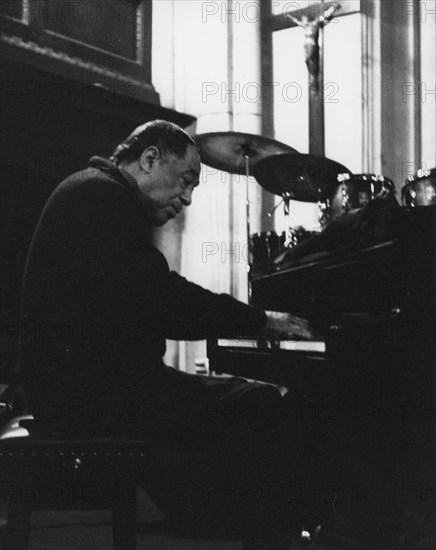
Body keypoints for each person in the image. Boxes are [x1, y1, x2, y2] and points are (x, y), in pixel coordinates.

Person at [17, 120, 317, 548]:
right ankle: (268, 535)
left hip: (76, 386)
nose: (188, 198)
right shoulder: (101, 197)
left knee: (223, 408)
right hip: (89, 393)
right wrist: (261, 320)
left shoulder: (94, 190)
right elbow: (161, 298)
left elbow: (146, 301)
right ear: (150, 158)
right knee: (260, 402)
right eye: (186, 180)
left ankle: (214, 517)